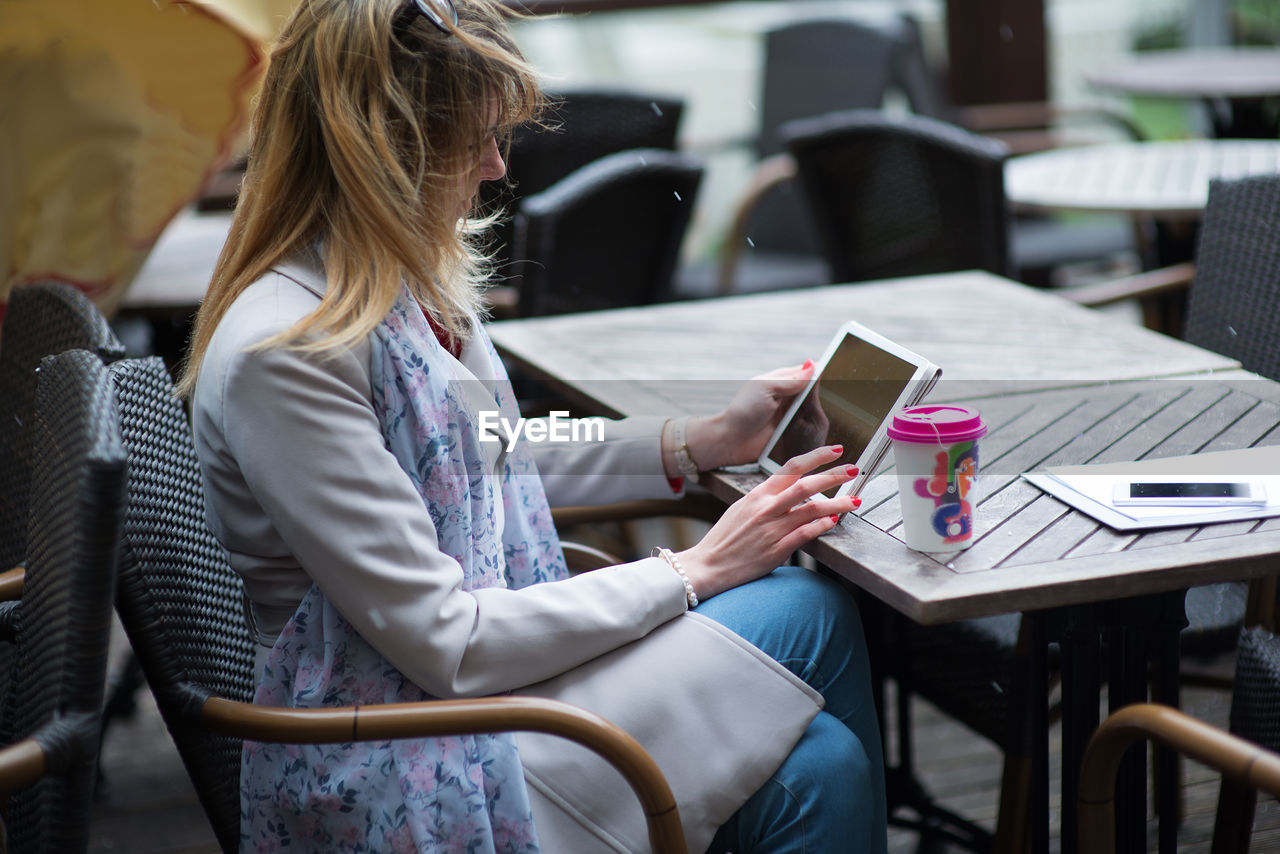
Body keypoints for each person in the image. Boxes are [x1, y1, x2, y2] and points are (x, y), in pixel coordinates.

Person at [178, 0, 888, 851]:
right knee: (808, 609)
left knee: (824, 766)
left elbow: (491, 456)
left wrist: (698, 442)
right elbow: (448, 642)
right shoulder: (285, 354)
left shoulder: (393, 289)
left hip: (482, 698)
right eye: (471, 141)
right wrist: (695, 568)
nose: (493, 167)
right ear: (383, 155)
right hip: (407, 752)